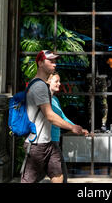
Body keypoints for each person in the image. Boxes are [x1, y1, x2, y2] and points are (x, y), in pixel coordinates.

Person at [21, 49, 87, 184]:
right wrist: (72, 127)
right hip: (37, 144)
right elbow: (50, 115)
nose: (55, 64)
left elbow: (56, 115)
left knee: (59, 177)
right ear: (40, 63)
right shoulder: (39, 86)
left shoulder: (43, 87)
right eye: (50, 61)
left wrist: (74, 127)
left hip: (49, 143)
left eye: (55, 61)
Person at [48, 71, 88, 183]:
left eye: (59, 81)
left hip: (54, 141)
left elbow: (63, 118)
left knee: (60, 176)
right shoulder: (44, 101)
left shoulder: (55, 100)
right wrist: (72, 128)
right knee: (61, 176)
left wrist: (77, 128)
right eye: (56, 81)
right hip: (47, 142)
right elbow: (53, 119)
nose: (59, 84)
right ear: (48, 82)